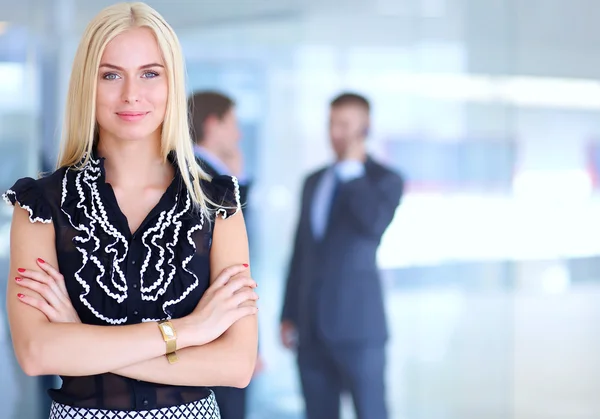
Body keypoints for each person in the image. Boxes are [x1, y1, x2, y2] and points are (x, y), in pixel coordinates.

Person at [3, 3, 258, 418]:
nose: (131, 94)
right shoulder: (40, 205)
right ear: (88, 83)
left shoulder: (217, 202)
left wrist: (80, 341)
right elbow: (37, 354)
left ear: (172, 83)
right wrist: (190, 332)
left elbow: (236, 364)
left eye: (150, 73)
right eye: (111, 75)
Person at [279, 93, 404, 419]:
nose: (336, 132)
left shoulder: (384, 180)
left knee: (371, 412)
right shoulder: (313, 181)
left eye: (346, 125)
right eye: (332, 123)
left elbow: (373, 224)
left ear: (366, 128)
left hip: (358, 330)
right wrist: (287, 313)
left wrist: (352, 170)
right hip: (309, 330)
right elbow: (300, 253)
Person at [187, 91, 263, 419]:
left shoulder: (216, 174)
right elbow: (222, 268)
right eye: (233, 123)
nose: (239, 134)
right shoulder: (201, 178)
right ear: (212, 124)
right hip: (209, 334)